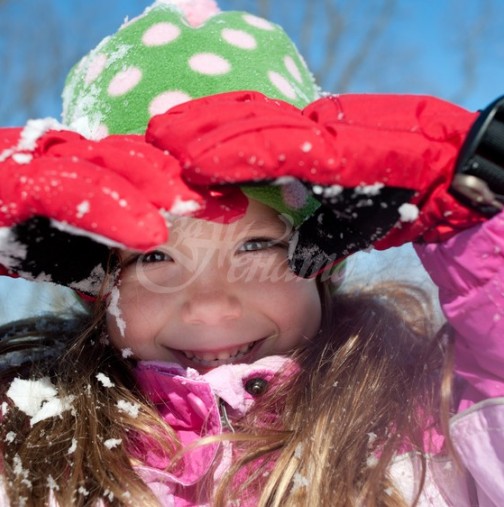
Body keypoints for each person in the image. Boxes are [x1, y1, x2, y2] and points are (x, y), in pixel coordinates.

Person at [0, 2, 504, 507]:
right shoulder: (25, 433)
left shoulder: (430, 415)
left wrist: (482, 215)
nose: (212, 307)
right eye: (155, 258)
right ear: (94, 280)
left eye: (257, 247)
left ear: (324, 256)